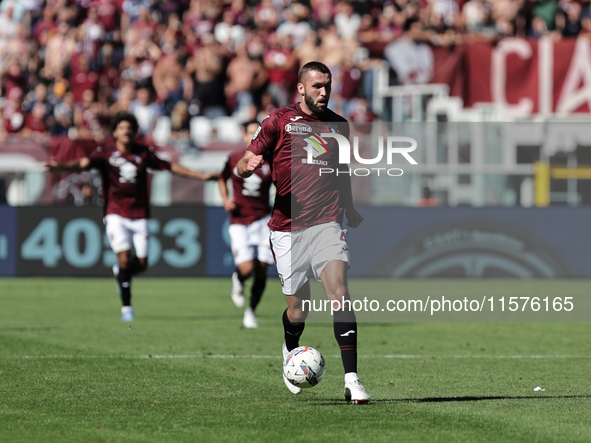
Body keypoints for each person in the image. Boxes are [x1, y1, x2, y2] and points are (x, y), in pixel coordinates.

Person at [236, 61, 370, 404]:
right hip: (287, 228)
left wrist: (350, 207)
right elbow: (244, 162)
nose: (323, 92)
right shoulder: (279, 121)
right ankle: (290, 347)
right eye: (316, 86)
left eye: (327, 85)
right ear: (301, 88)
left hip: (327, 222)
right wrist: (246, 167)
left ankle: (353, 379)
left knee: (339, 294)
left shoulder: (339, 125)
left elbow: (342, 173)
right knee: (299, 312)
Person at [47, 112, 217, 321]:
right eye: (122, 128)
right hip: (115, 212)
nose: (126, 131)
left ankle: (121, 273)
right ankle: (127, 307)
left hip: (140, 214)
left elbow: (168, 166)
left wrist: (201, 176)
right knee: (125, 257)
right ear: (115, 132)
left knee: (142, 263)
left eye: (129, 128)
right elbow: (83, 163)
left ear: (134, 132)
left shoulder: (143, 153)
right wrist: (62, 166)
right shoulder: (106, 152)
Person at [219, 119, 274, 328]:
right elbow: (221, 178)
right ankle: (238, 280)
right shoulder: (234, 158)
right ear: (244, 136)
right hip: (240, 220)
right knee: (247, 267)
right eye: (251, 133)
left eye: (257, 133)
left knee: (262, 269)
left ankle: (251, 311)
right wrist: (225, 200)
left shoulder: (270, 160)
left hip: (263, 219)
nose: (254, 137)